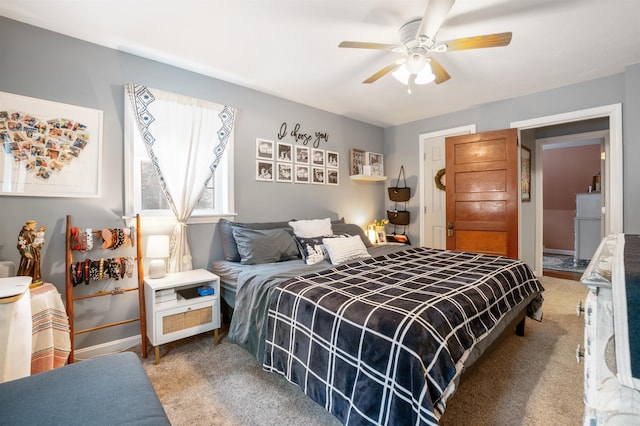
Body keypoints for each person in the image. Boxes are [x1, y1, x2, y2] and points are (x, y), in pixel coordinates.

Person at [17, 220, 44, 285]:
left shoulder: (32, 232)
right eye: (34, 225)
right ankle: (24, 279)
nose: (35, 226)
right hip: (28, 250)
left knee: (35, 264)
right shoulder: (23, 233)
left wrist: (39, 244)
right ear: (29, 224)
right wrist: (25, 252)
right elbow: (21, 244)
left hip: (34, 251)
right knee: (28, 263)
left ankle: (34, 278)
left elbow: (38, 239)